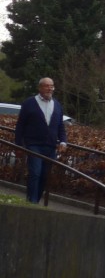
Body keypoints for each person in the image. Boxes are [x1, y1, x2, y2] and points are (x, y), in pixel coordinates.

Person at [14, 77, 68, 205]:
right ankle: (31, 202)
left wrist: (63, 141)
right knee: (35, 172)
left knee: (44, 176)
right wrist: (18, 145)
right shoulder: (29, 103)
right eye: (46, 86)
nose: (50, 88)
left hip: (50, 146)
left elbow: (60, 126)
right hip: (34, 144)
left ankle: (36, 200)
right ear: (40, 88)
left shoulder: (57, 105)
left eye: (52, 86)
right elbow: (20, 125)